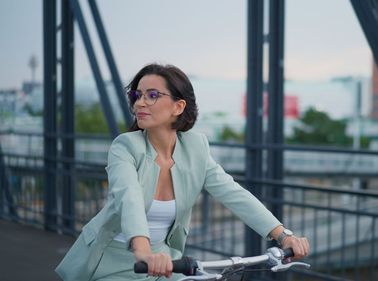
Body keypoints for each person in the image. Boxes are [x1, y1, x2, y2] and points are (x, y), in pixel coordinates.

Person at [55, 63, 309, 280]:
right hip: (113, 260)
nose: (140, 102)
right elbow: (128, 199)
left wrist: (283, 235)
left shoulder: (195, 147)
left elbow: (234, 193)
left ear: (178, 107)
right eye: (137, 95)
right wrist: (143, 250)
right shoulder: (125, 146)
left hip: (166, 263)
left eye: (152, 95)